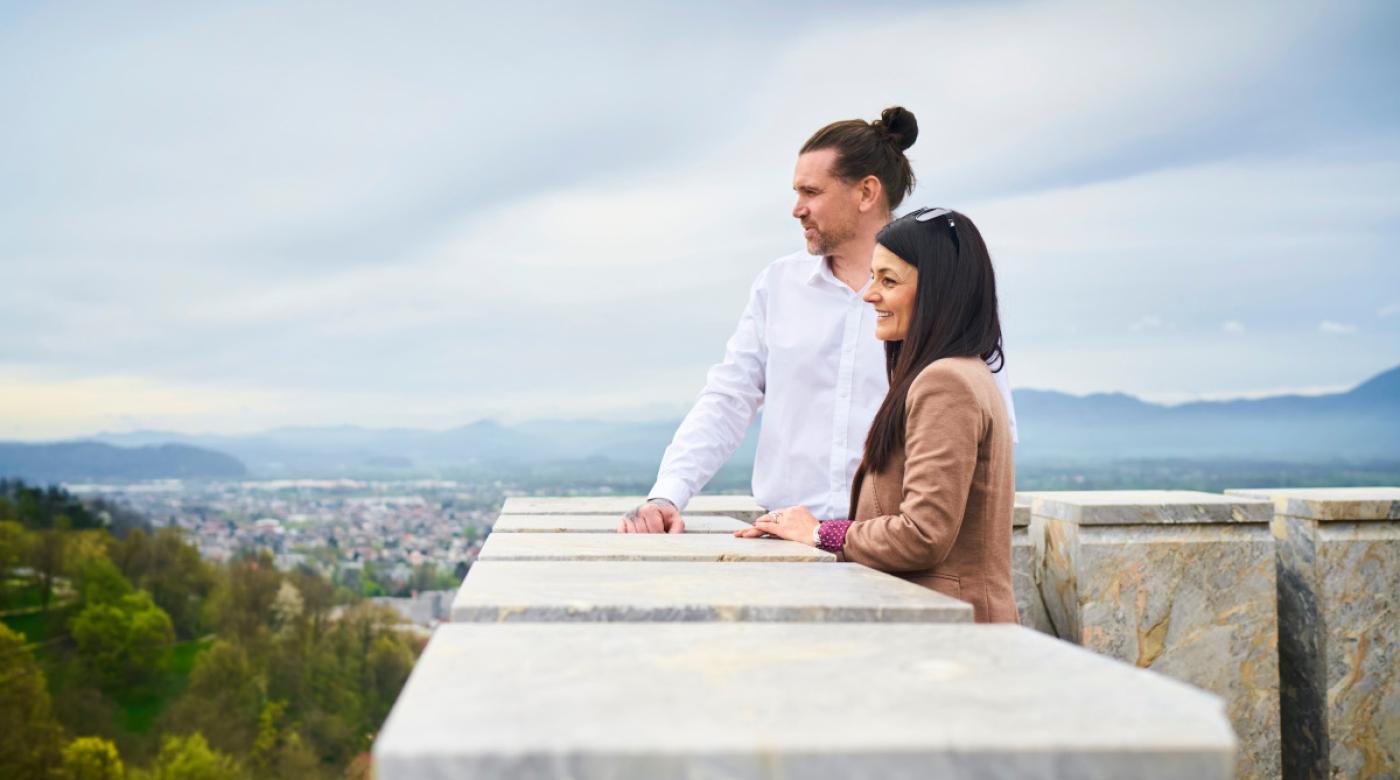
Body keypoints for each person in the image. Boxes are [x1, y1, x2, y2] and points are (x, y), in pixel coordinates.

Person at [619, 107, 1017, 534]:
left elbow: (993, 423)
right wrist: (668, 494)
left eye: (811, 192)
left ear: (866, 193)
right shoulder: (778, 284)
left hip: (897, 546)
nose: (797, 209)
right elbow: (728, 397)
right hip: (785, 541)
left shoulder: (936, 290)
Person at [741, 208, 1017, 624]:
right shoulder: (963, 372)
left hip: (951, 634)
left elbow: (924, 535)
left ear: (937, 292)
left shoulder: (946, 382)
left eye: (888, 280)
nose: (869, 293)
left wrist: (818, 532)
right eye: (873, 276)